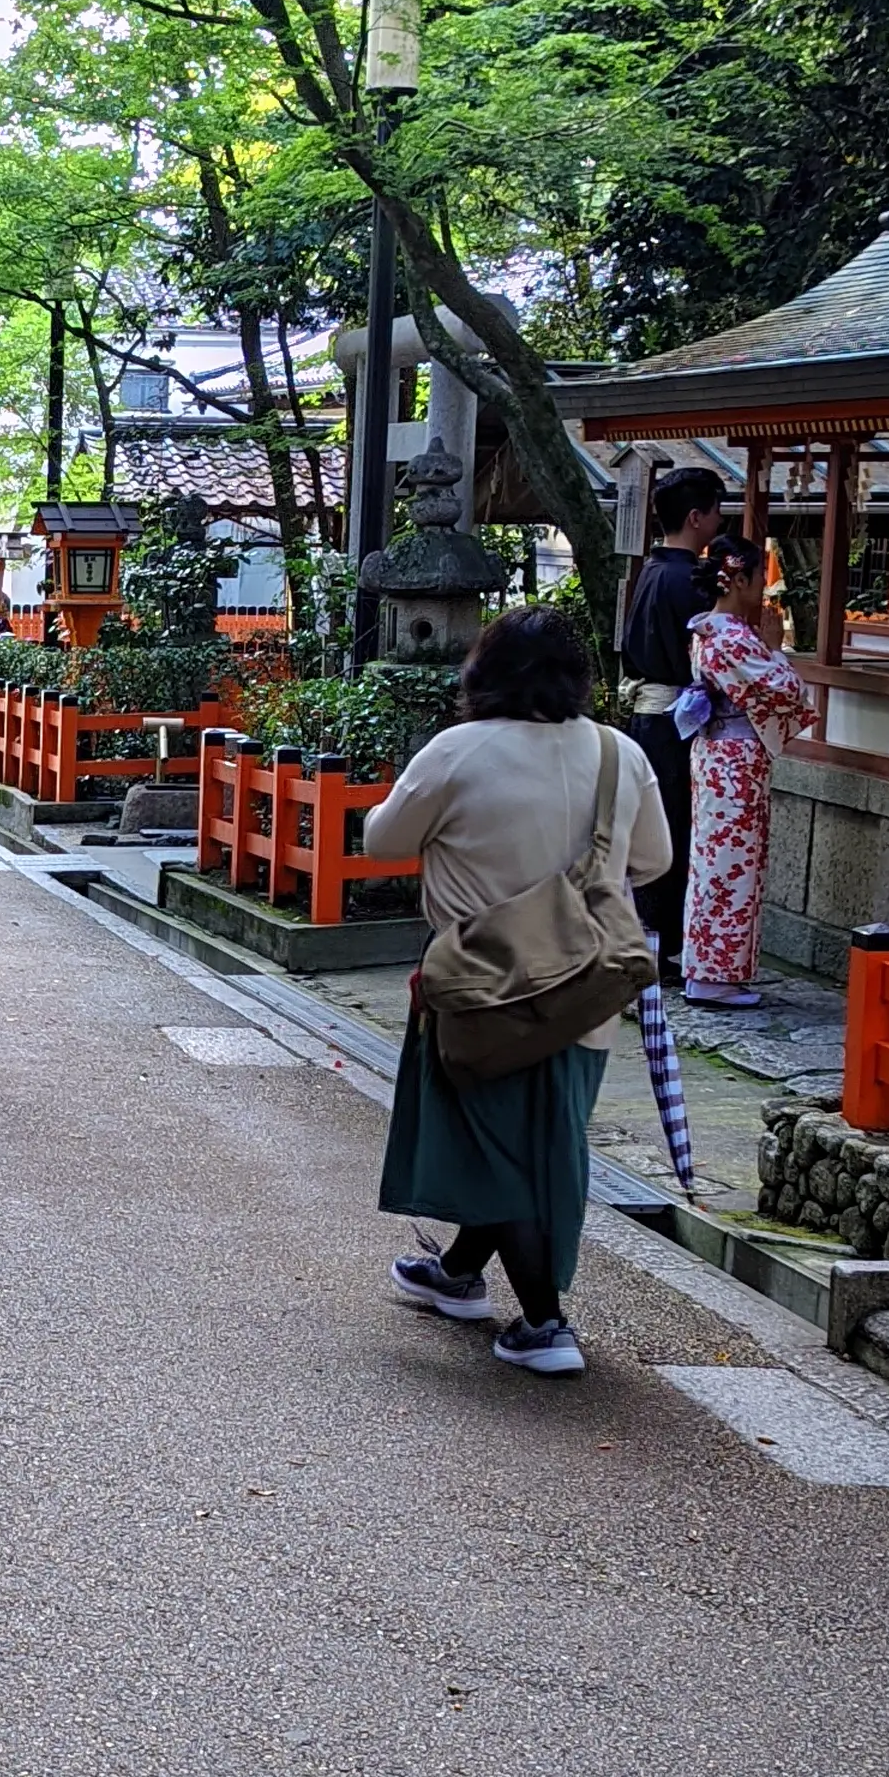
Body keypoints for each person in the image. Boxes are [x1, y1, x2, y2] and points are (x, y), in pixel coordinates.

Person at [362, 603, 672, 1379]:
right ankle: (460, 1274)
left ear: (484, 672)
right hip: (582, 993)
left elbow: (383, 841)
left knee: (490, 1147)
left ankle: (544, 1321)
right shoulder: (618, 754)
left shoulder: (458, 751)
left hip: (481, 987)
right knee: (539, 1142)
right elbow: (655, 860)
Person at [678, 529, 818, 1003]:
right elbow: (787, 691)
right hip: (733, 761)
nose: (763, 584)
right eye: (759, 575)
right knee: (730, 864)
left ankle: (713, 970)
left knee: (717, 862)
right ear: (739, 579)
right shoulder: (732, 637)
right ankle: (715, 976)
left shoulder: (710, 632)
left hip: (720, 756)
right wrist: (777, 648)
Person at [615, 464, 729, 980]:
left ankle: (649, 938)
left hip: (650, 717)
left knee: (654, 826)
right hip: (673, 721)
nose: (719, 520)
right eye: (717, 511)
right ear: (695, 516)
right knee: (673, 832)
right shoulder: (688, 581)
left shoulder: (653, 572)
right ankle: (660, 944)